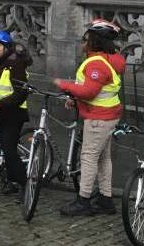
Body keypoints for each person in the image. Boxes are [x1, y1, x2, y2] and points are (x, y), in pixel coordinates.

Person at [54, 19, 126, 216]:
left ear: (95, 41)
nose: (83, 44)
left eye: (86, 39)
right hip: (107, 114)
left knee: (89, 157)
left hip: (98, 117)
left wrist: (63, 85)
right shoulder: (108, 59)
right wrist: (75, 99)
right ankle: (105, 199)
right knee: (103, 158)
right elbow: (99, 91)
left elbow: (89, 92)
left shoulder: (97, 63)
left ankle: (83, 200)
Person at [0, 30, 31, 196]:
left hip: (14, 112)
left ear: (6, 47)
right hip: (0, 112)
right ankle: (12, 182)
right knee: (7, 149)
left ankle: (25, 184)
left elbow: (21, 93)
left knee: (9, 149)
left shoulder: (15, 63)